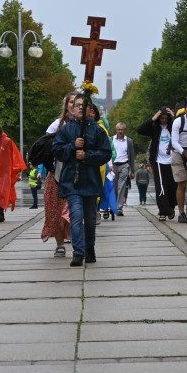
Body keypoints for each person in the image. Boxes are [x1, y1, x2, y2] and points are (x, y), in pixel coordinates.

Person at [53, 96, 112, 267]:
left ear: (90, 110)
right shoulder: (66, 130)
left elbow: (105, 153)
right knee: (76, 216)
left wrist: (87, 156)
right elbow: (57, 151)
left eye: (83, 106)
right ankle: (78, 252)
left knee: (90, 218)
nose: (80, 108)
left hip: (91, 181)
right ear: (72, 109)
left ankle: (89, 248)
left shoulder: (98, 130)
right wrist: (72, 146)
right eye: (77, 105)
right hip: (72, 181)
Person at [42, 92, 78, 257]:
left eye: (77, 103)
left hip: (78, 176)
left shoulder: (86, 125)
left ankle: (76, 240)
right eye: (71, 102)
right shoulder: (57, 125)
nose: (74, 105)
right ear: (66, 106)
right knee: (55, 211)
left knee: (73, 211)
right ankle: (60, 244)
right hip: (57, 174)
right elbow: (45, 147)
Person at [136, 106, 176, 221]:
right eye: (162, 118)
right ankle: (163, 212)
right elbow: (140, 130)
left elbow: (183, 128)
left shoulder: (173, 127)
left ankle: (171, 206)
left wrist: (175, 116)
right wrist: (152, 119)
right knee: (161, 187)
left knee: (172, 185)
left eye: (166, 118)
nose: (164, 120)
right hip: (158, 160)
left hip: (171, 160)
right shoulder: (155, 128)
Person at [111, 123, 135, 216]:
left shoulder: (129, 141)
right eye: (119, 129)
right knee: (114, 187)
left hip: (124, 165)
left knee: (121, 187)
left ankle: (119, 207)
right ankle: (113, 206)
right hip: (113, 166)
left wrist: (132, 171)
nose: (120, 131)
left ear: (125, 130)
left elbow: (131, 156)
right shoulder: (112, 139)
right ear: (116, 130)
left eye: (122, 130)